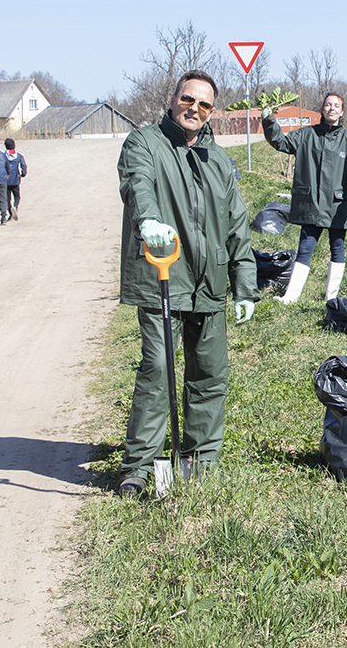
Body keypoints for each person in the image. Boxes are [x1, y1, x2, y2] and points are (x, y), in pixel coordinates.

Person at [115, 70, 258, 498]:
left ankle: (200, 460)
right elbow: (136, 184)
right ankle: (140, 466)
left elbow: (237, 224)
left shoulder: (218, 161)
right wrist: (149, 220)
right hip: (164, 273)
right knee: (158, 368)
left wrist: (245, 283)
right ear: (173, 99)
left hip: (209, 280)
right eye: (187, 99)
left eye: (204, 104)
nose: (194, 109)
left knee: (209, 374)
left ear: (212, 111)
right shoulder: (144, 143)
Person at [261, 92, 347, 303]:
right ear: (322, 109)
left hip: (338, 203)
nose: (332, 108)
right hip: (311, 203)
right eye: (328, 105)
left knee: (337, 248)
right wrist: (269, 121)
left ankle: (331, 298)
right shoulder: (306, 135)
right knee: (305, 248)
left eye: (336, 105)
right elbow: (281, 142)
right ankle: (290, 297)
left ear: (342, 111)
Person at [4, 137, 28, 221]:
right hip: (15, 179)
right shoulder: (18, 156)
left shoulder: (4, 156)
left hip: (5, 180)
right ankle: (15, 206)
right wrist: (23, 174)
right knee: (17, 196)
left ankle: (10, 212)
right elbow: (23, 165)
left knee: (7, 198)